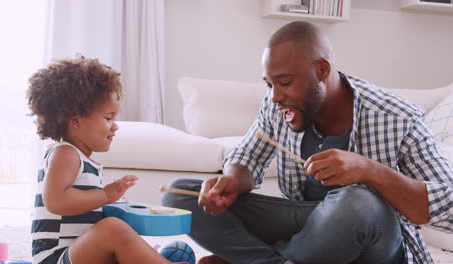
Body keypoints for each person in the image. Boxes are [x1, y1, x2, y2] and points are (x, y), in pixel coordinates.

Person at [162, 21, 453, 264]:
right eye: (269, 84)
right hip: (310, 231)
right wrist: (231, 182)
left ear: (322, 70)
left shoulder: (397, 117)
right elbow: (247, 158)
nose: (275, 95)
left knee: (357, 202)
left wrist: (369, 170)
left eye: (285, 82)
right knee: (180, 197)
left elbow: (449, 206)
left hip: (375, 242)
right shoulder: (277, 104)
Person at [27, 55, 188, 264]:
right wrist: (104, 195)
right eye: (108, 118)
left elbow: (83, 213)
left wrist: (111, 203)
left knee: (117, 229)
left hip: (80, 254)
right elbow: (56, 201)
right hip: (55, 257)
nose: (115, 125)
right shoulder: (65, 153)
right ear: (76, 120)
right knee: (112, 229)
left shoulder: (83, 160)